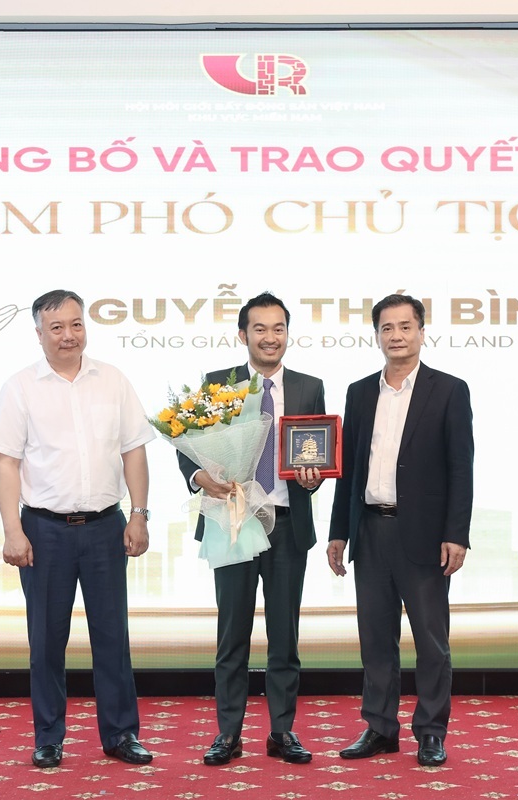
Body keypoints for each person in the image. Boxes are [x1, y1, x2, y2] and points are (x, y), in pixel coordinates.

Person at [0, 289, 156, 770]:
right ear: (39, 333)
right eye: (57, 327)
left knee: (112, 638)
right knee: (46, 642)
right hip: (44, 531)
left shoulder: (113, 380)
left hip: (106, 527)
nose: (68, 335)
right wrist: (12, 530)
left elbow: (134, 451)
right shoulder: (20, 387)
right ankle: (48, 738)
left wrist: (139, 514)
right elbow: (6, 463)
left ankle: (121, 734)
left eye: (76, 324)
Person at [178, 291, 325, 766]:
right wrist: (199, 477)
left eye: (278, 328)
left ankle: (282, 732)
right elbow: (188, 445)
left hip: (286, 525)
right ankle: (228, 734)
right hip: (234, 522)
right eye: (259, 329)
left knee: (285, 639)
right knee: (232, 637)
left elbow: (317, 454)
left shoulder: (309, 387)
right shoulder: (218, 384)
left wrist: (314, 477)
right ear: (243, 335)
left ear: (288, 334)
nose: (270, 337)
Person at [327, 294, 474, 768]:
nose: (396, 336)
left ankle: (431, 731)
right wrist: (339, 532)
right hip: (370, 530)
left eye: (405, 327)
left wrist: (457, 534)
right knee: (375, 640)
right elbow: (348, 470)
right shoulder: (359, 392)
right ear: (376, 336)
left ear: (422, 332)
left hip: (426, 536)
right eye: (387, 328)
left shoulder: (449, 390)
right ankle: (380, 727)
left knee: (431, 641)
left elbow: (461, 468)